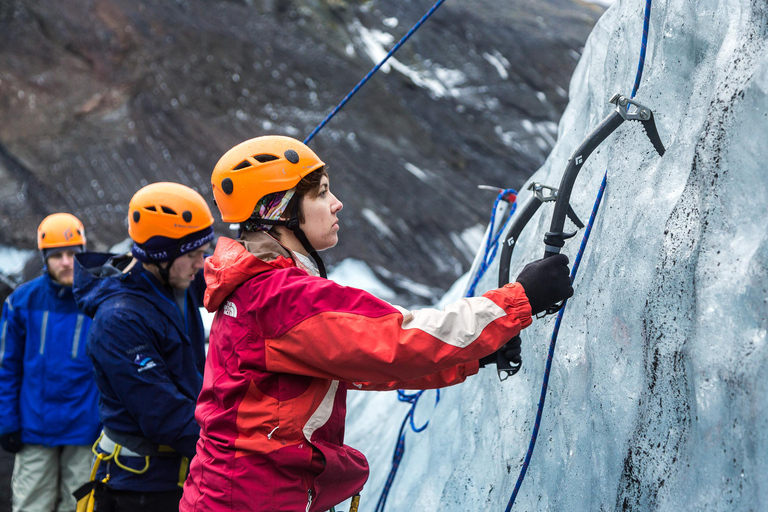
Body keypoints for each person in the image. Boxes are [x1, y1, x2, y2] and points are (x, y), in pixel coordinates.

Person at [179, 136, 573, 512]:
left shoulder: (258, 289)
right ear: (277, 211)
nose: (337, 204)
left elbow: (360, 360)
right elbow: (396, 342)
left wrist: (474, 359)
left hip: (239, 495)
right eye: (320, 193)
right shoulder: (282, 298)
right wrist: (519, 299)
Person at [72, 183, 214, 511]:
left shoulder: (175, 282)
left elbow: (229, 274)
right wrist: (239, 455)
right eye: (192, 254)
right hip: (140, 488)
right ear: (161, 255)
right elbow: (164, 414)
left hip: (180, 472)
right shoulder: (119, 320)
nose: (200, 263)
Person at [0, 213, 100, 512]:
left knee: (79, 507)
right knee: (31, 506)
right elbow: (7, 368)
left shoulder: (99, 301)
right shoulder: (21, 302)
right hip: (34, 429)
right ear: (45, 257)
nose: (66, 262)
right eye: (57, 255)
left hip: (85, 431)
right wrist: (7, 422)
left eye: (72, 254)